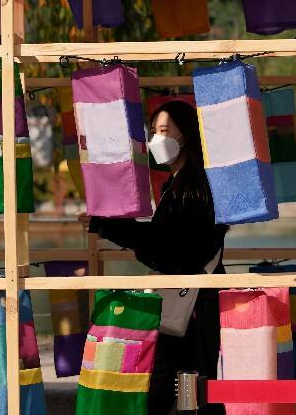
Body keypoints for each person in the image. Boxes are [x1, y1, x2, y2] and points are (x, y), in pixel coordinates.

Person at [87, 99, 228, 415]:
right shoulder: (178, 184)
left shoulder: (195, 187)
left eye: (164, 130)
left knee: (176, 389)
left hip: (192, 308)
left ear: (186, 135)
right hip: (188, 304)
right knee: (187, 389)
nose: (156, 140)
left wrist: (106, 226)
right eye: (153, 132)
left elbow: (168, 249)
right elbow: (161, 243)